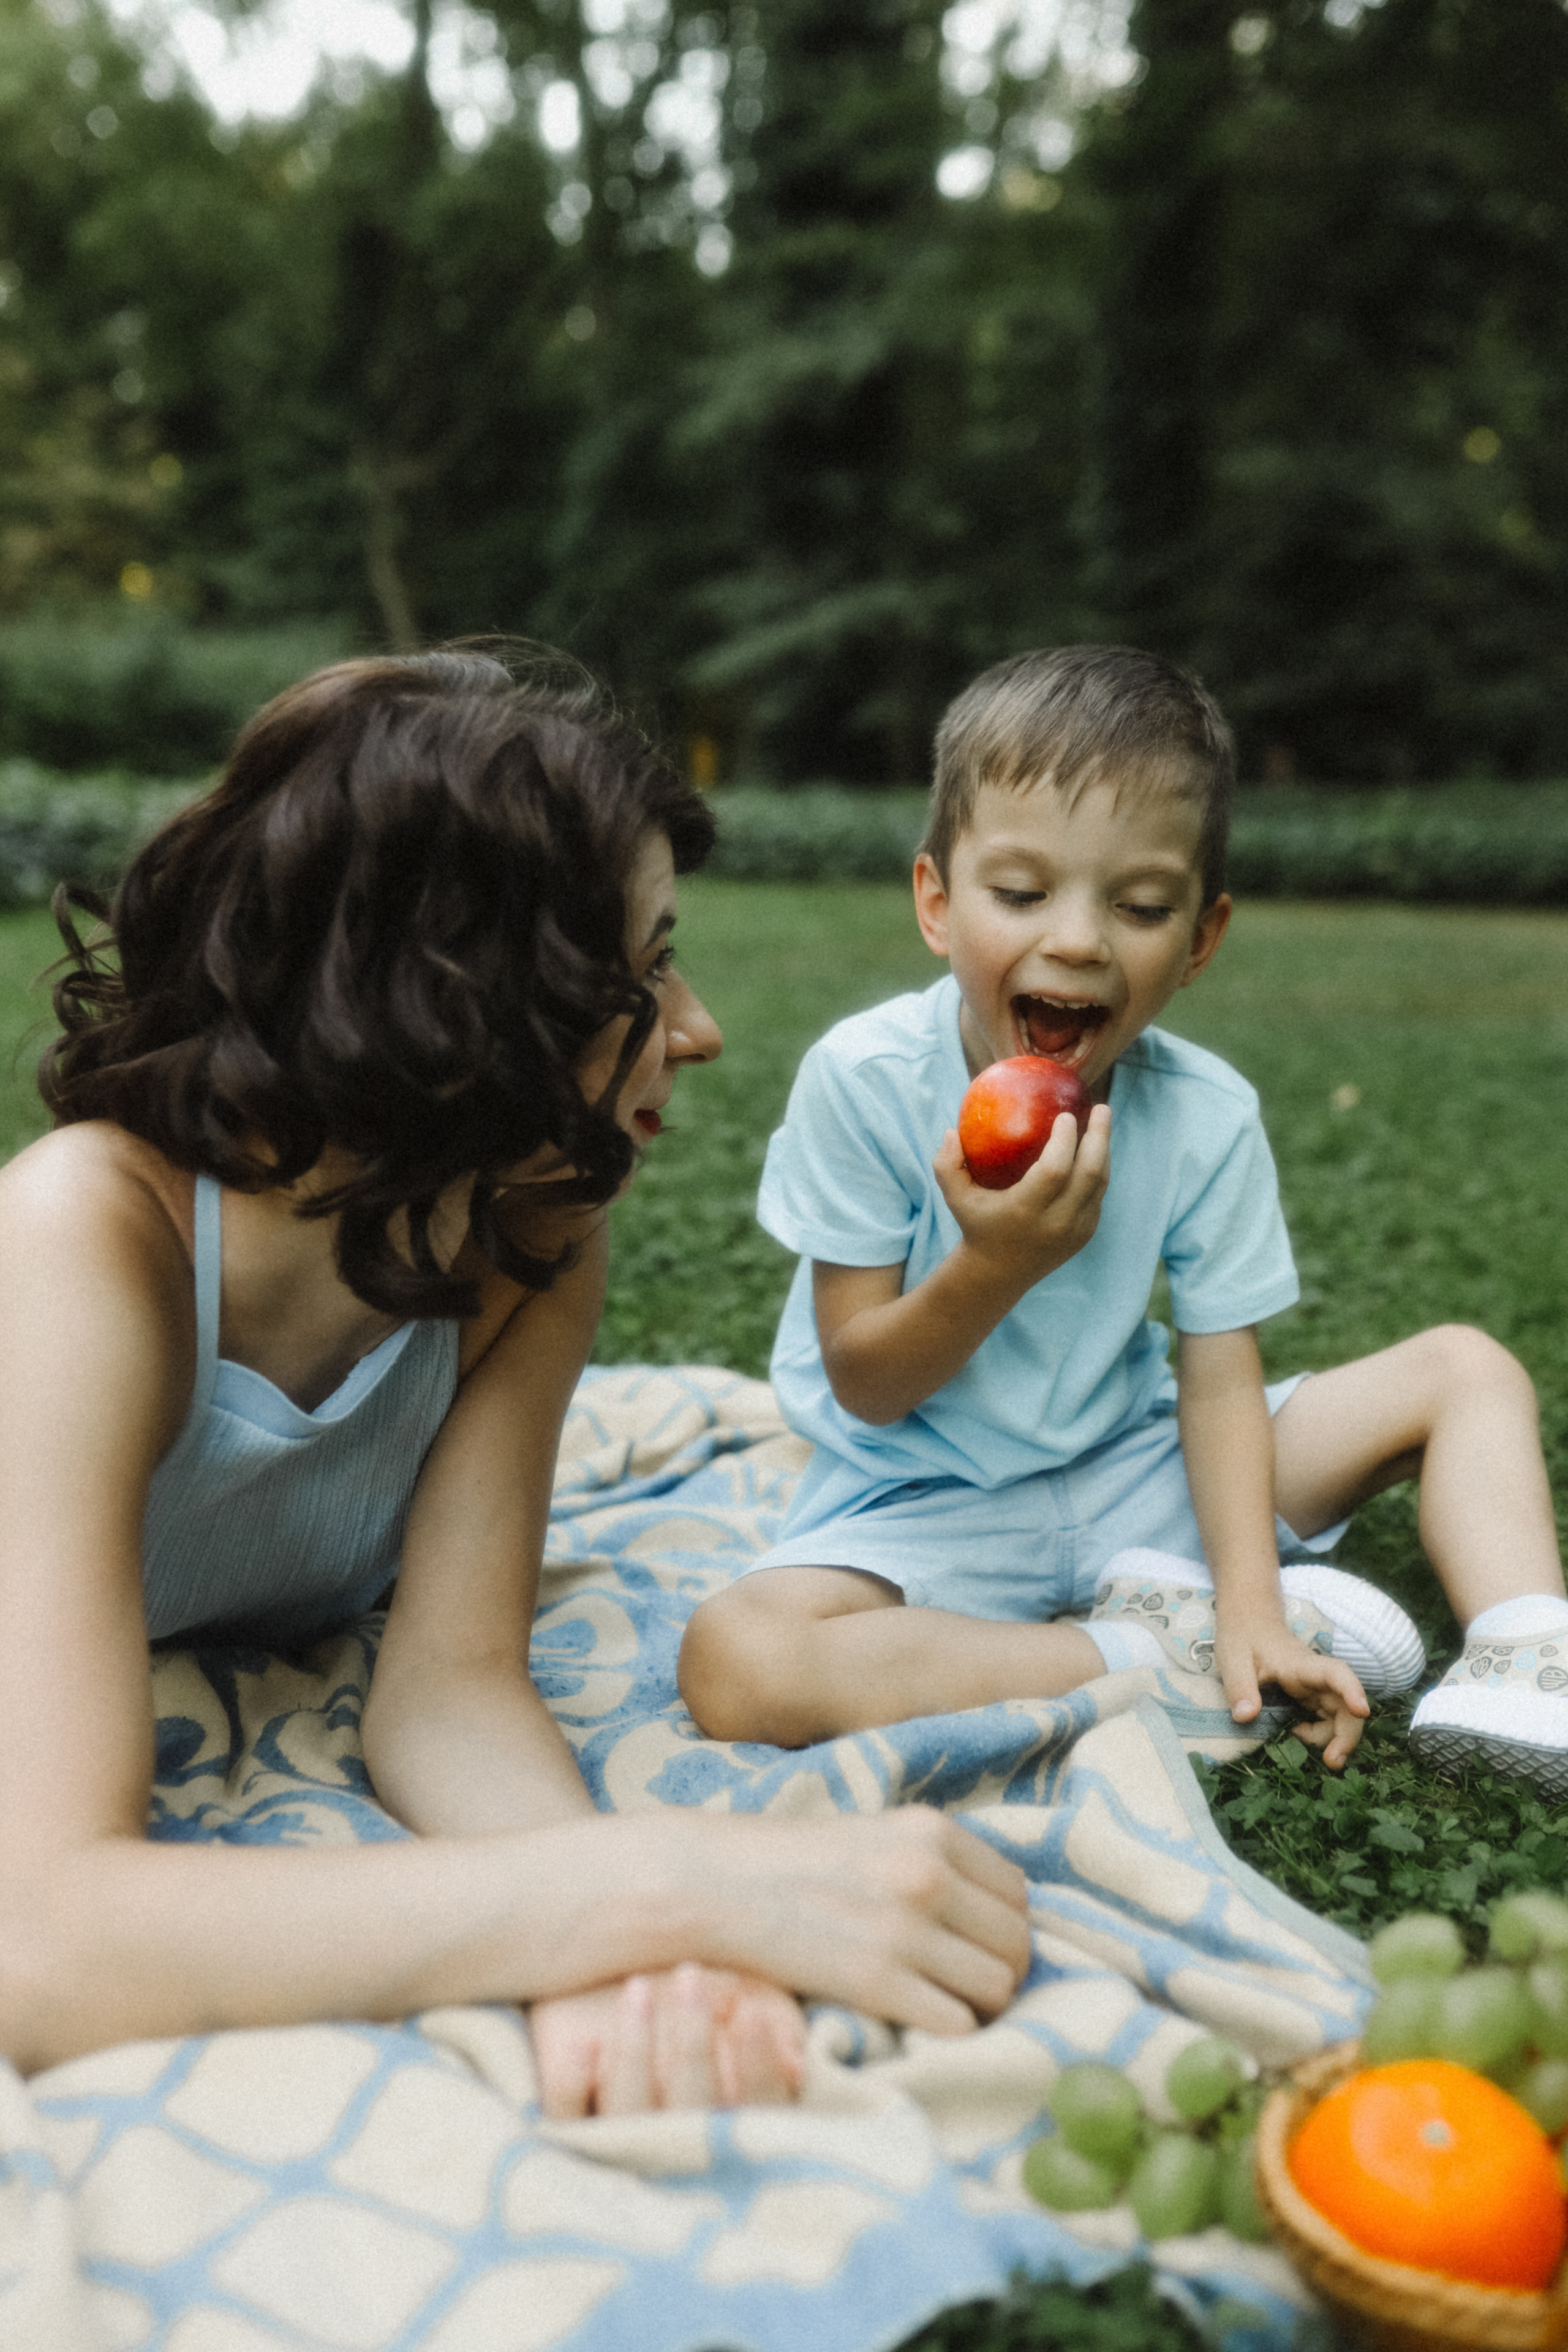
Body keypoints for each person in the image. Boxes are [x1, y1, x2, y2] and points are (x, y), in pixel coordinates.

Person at [0, 649, 1031, 2111]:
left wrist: (605, 1943)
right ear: (452, 1003)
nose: (700, 1026)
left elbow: (447, 1690)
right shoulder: (85, 1242)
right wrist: (672, 1892)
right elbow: (43, 1945)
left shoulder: (531, 1228)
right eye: (645, 967)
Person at [679, 645, 1568, 1797]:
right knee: (737, 1659)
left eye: (1140, 905)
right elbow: (867, 1383)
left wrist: (1251, 1594)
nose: (1082, 940)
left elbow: (1218, 1377)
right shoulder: (865, 1081)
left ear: (1200, 938)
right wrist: (994, 1266)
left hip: (1138, 1466)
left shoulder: (1202, 1114)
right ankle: (1150, 1654)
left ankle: (1527, 1658)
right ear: (938, 904)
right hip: (927, 1504)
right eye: (1021, 893)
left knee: (1464, 1368)